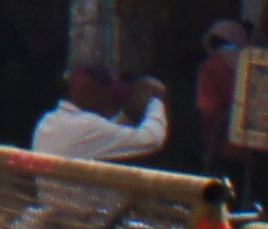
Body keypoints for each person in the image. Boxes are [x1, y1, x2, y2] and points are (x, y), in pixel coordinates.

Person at [32, 66, 173, 165]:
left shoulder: (48, 121)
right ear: (94, 95)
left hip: (58, 198)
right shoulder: (86, 125)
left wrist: (127, 116)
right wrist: (156, 100)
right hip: (80, 201)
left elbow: (100, 138)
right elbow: (152, 139)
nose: (109, 104)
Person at [191, 20, 249, 167]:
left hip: (222, 143)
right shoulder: (254, 66)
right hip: (254, 147)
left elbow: (208, 108)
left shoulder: (211, 67)